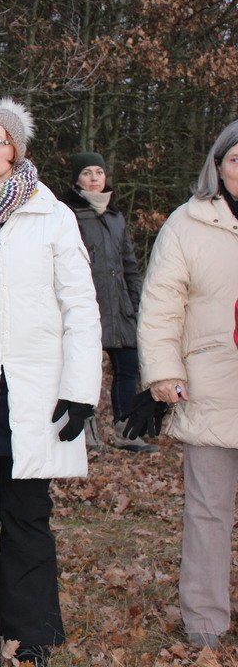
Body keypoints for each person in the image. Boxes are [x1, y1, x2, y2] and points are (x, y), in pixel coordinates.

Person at [0, 99, 102, 667]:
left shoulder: (53, 214)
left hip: (35, 388)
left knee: (28, 512)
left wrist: (81, 389)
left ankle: (33, 632)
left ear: (17, 149)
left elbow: (80, 306)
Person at [138, 120, 238, 650]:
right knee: (208, 510)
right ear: (218, 166)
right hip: (210, 387)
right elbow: (161, 302)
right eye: (236, 159)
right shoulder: (186, 223)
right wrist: (163, 371)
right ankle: (204, 622)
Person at [61, 152, 154, 453]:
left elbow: (130, 265)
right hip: (87, 306)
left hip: (120, 307)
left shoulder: (116, 217)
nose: (94, 178)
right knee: (86, 368)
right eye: (87, 172)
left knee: (128, 366)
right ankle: (86, 429)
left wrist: (135, 303)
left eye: (98, 172)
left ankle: (126, 430)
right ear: (77, 179)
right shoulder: (68, 214)